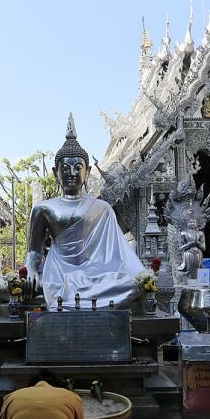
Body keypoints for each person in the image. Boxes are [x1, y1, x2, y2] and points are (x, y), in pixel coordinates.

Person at [25, 113, 144, 310]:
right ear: (56, 173)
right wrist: (31, 269)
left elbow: (116, 255)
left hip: (94, 272)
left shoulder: (102, 208)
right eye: (65, 168)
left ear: (87, 172)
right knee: (14, 287)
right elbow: (34, 252)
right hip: (58, 272)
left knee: (135, 282)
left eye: (77, 167)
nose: (71, 173)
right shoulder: (43, 209)